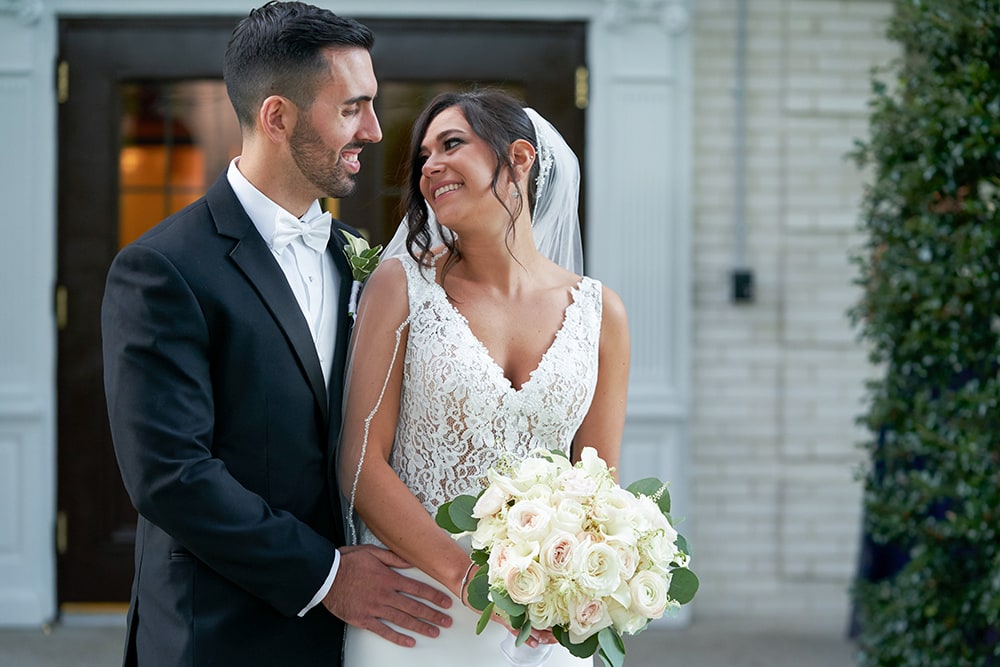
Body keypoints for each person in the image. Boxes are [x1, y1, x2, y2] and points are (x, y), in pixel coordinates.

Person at [101, 3, 451, 665]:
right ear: (277, 117)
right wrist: (326, 574)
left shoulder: (359, 255)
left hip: (356, 636)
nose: (374, 131)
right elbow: (172, 474)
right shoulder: (161, 268)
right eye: (353, 108)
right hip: (221, 634)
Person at [338, 90, 631, 665]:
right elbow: (360, 464)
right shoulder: (401, 288)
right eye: (423, 156)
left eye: (451, 145)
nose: (430, 168)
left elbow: (598, 488)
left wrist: (581, 586)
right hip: (417, 608)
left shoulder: (601, 312)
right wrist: (469, 578)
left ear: (519, 158)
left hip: (540, 625)